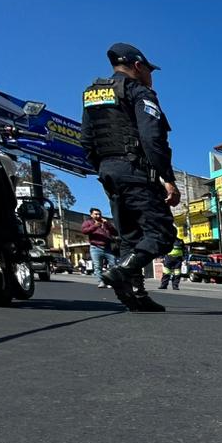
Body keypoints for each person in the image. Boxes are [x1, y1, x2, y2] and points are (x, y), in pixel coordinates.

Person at [80, 42, 179, 313]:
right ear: (138, 66)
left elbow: (86, 140)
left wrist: (105, 169)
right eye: (150, 70)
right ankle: (122, 271)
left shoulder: (93, 95)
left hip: (109, 173)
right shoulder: (138, 91)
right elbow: (152, 137)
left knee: (130, 237)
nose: (151, 75)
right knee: (162, 233)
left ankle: (135, 295)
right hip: (135, 171)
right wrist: (167, 178)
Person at [80, 207, 118, 289]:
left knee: (114, 264)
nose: (98, 215)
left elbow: (115, 233)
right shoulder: (88, 222)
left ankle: (111, 281)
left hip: (107, 247)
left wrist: (108, 224)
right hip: (95, 247)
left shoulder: (105, 223)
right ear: (91, 215)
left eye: (99, 214)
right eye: (96, 214)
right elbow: (84, 231)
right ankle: (101, 282)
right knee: (98, 266)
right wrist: (95, 226)